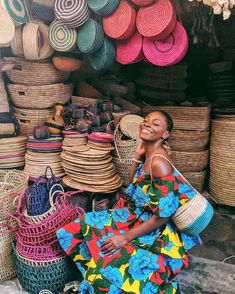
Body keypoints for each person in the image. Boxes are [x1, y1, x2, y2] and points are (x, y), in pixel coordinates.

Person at [57, 111, 202, 294]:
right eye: (146, 121)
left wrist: (124, 238)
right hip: (136, 216)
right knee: (76, 229)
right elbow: (134, 185)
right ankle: (95, 271)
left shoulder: (160, 163)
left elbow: (163, 216)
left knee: (112, 273)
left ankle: (102, 276)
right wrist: (137, 155)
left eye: (156, 124)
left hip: (153, 228)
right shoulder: (149, 154)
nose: (147, 124)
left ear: (165, 134)